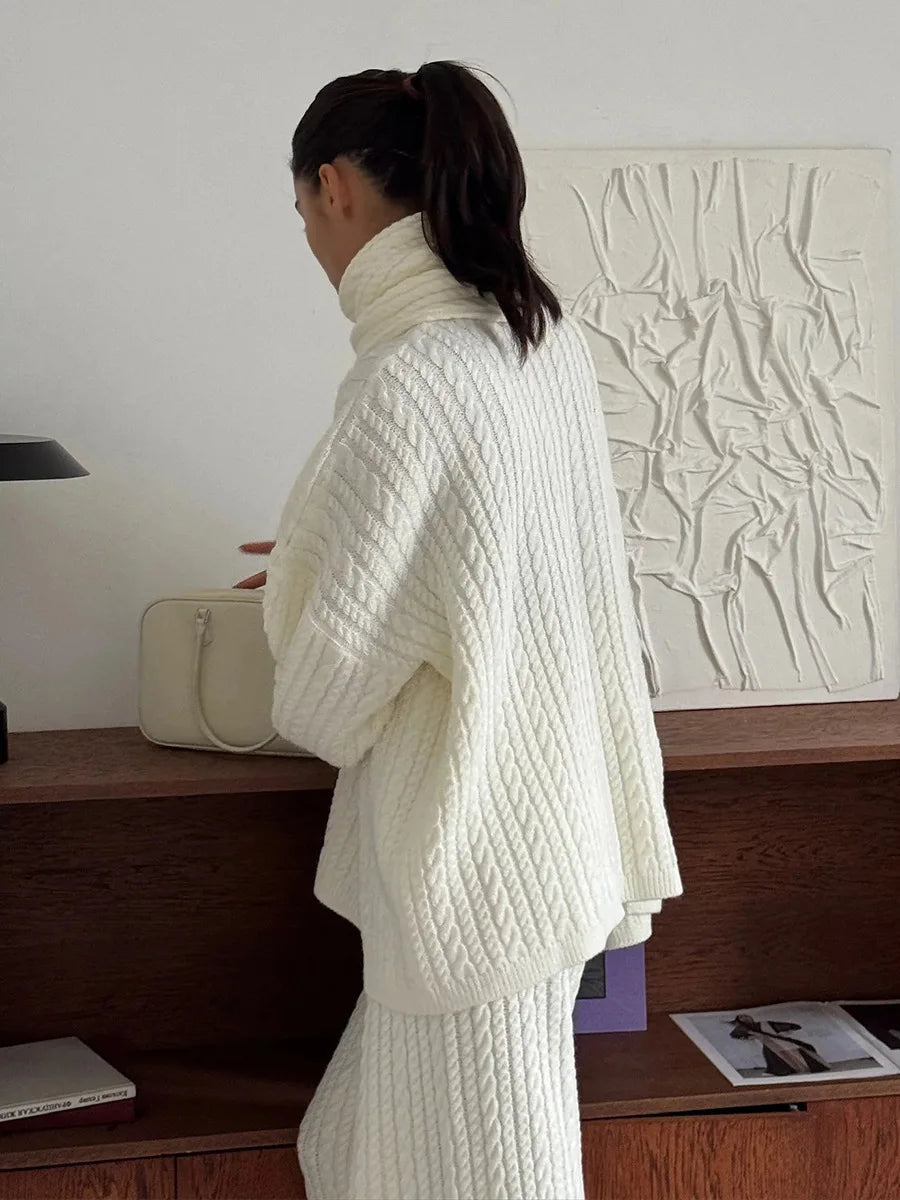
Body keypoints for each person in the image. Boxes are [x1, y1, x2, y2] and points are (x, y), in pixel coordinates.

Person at [239, 61, 682, 1200]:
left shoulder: (410, 378)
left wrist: (308, 584)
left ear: (335, 187)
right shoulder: (537, 342)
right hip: (551, 838)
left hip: (471, 867)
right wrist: (342, 561)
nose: (311, 242)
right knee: (360, 1148)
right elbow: (504, 568)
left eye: (301, 212)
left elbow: (323, 703)